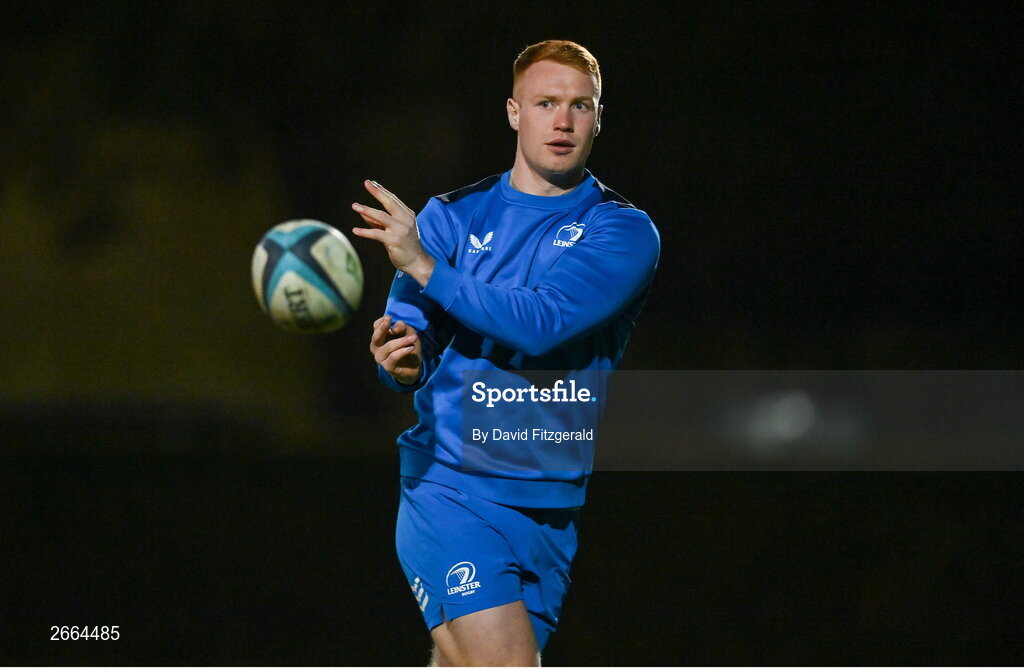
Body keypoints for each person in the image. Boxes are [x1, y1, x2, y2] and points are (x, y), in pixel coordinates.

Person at [351, 40, 660, 666]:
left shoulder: (622, 231)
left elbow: (544, 323)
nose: (563, 121)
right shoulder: (446, 220)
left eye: (581, 106)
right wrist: (402, 361)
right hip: (451, 490)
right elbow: (409, 342)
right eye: (546, 103)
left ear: (599, 118)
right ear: (515, 112)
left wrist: (426, 267)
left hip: (549, 506)